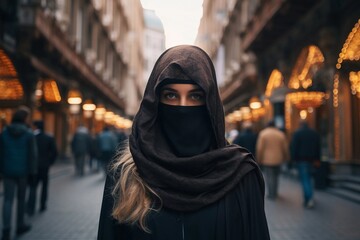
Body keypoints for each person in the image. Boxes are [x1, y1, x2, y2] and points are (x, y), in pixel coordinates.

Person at [97, 45, 270, 240]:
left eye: (195, 96)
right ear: (154, 102)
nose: (182, 106)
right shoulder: (126, 174)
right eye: (170, 95)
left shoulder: (241, 174)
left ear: (210, 103)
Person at [0, 106, 38, 240]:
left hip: (7, 171)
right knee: (21, 199)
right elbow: (33, 155)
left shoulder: (4, 132)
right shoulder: (28, 134)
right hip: (23, 172)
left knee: (7, 200)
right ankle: (19, 225)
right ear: (24, 119)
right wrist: (33, 172)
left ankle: (5, 229)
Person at [27, 120, 58, 215]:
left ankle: (30, 207)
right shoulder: (48, 137)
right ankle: (42, 205)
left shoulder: (31, 137)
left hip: (33, 166)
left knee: (33, 187)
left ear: (35, 126)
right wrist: (49, 162)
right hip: (44, 166)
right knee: (44, 186)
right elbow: (54, 152)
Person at [290, 120, 321, 208]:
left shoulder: (297, 134)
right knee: (310, 179)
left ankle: (309, 198)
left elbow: (294, 148)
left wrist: (293, 160)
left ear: (300, 125)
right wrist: (318, 159)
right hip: (312, 160)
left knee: (305, 180)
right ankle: (308, 198)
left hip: (302, 160)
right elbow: (318, 147)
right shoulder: (314, 133)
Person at [256, 120, 289, 200]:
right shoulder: (280, 134)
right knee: (276, 176)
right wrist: (286, 158)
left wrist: (258, 159)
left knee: (269, 176)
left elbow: (260, 148)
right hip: (278, 159)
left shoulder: (263, 134)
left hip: (267, 159)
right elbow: (285, 148)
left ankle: (271, 193)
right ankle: (275, 192)